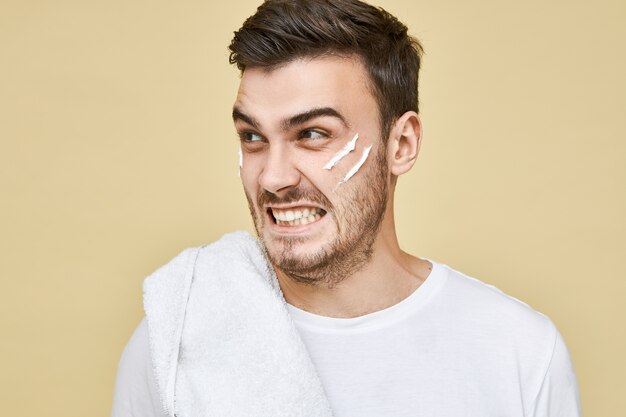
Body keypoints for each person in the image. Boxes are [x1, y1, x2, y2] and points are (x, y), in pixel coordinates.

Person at [112, 0, 581, 416]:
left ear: (401, 143)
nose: (274, 177)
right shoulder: (172, 345)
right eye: (253, 137)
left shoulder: (519, 352)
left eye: (313, 134)